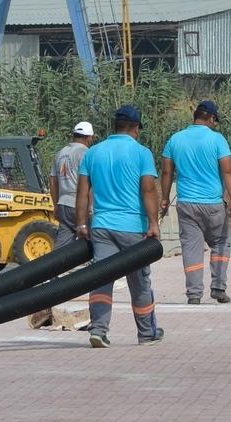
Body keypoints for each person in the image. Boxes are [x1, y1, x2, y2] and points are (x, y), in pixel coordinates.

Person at [75, 105, 163, 348]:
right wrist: (153, 223)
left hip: (101, 226)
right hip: (133, 227)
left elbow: (82, 192)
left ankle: (99, 331)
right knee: (140, 281)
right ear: (135, 128)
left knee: (102, 279)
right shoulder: (141, 152)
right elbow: (148, 189)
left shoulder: (93, 153)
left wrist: (81, 224)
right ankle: (146, 333)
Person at [160, 100, 231, 305]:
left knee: (191, 249)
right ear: (211, 118)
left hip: (186, 203)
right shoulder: (217, 140)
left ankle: (194, 294)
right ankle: (218, 288)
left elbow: (167, 172)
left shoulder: (175, 139)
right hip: (213, 204)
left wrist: (164, 198)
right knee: (220, 242)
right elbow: (228, 170)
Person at [50, 121, 93, 248]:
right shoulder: (86, 153)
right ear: (89, 137)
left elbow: (53, 181)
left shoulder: (61, 153)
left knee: (61, 248)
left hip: (63, 204)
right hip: (79, 206)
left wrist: (56, 205)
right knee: (97, 241)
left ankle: (52, 267)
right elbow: (89, 182)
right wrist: (90, 208)